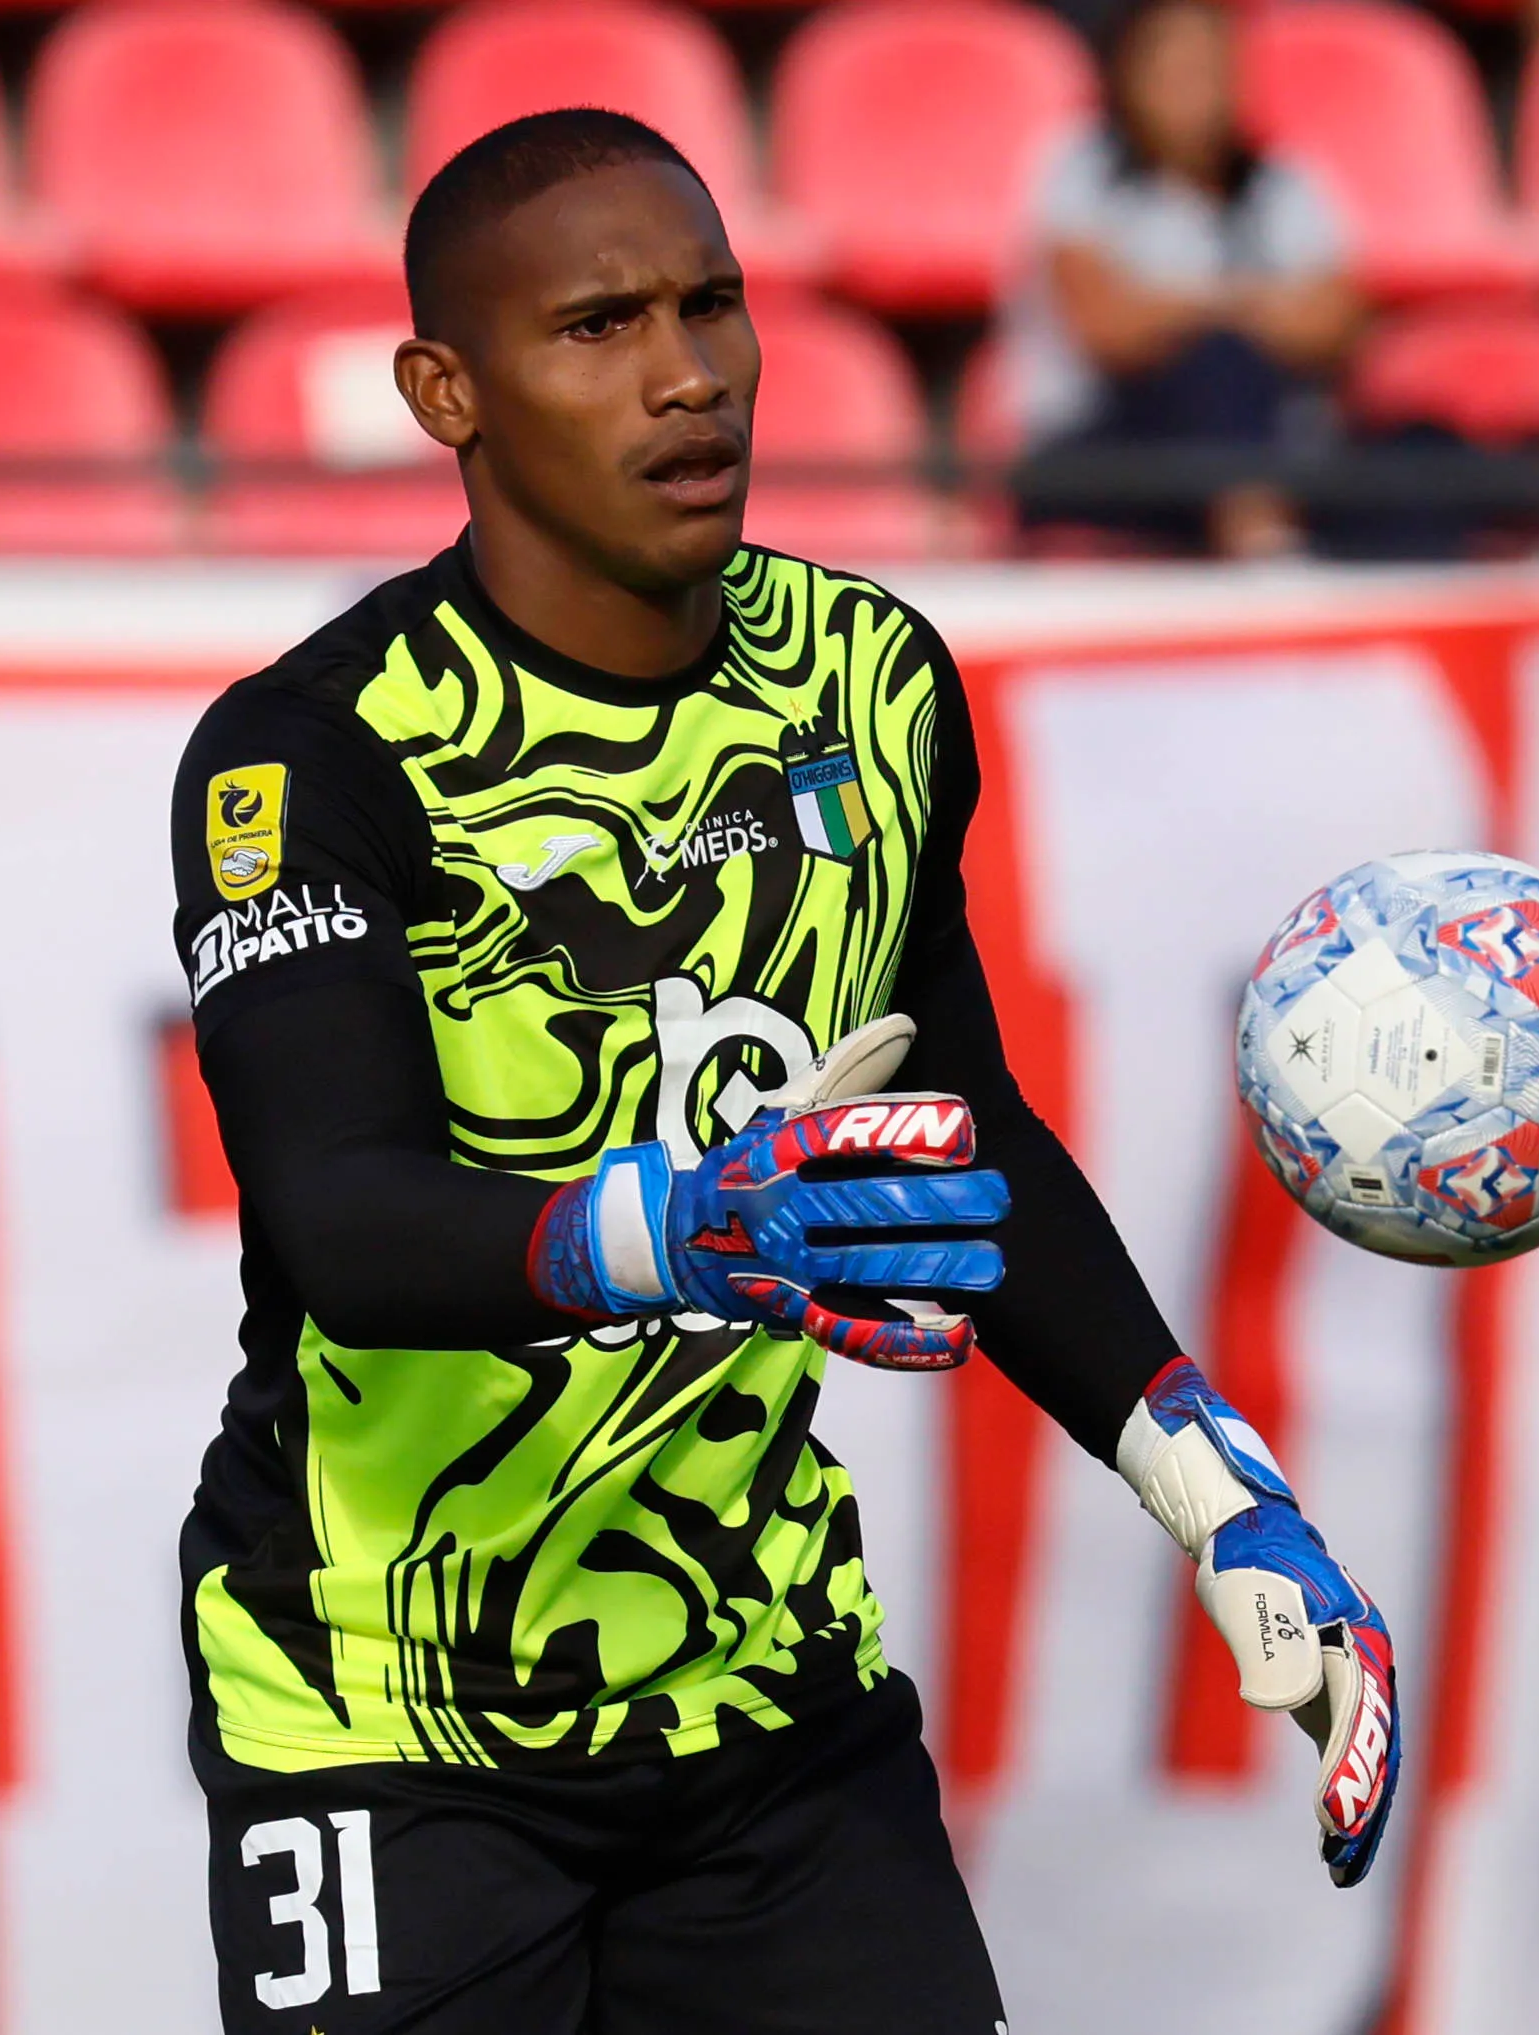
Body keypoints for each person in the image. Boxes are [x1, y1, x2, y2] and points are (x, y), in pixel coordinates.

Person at [169, 109, 1402, 2035]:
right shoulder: (312, 755)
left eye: (711, 306)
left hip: (764, 1698)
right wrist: (681, 1225)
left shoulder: (867, 683)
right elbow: (344, 1223)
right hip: (382, 1717)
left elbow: (973, 1136)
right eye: (595, 329)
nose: (685, 377)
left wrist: (1217, 1488)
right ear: (447, 393)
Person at [1002, 0, 1362, 557]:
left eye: (1209, 64)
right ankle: (1259, 541)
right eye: (1172, 64)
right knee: (1213, 361)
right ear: (1127, 73)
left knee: (1419, 457)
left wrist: (1174, 305)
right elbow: (1110, 331)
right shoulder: (1079, 170)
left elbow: (1334, 326)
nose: (1192, 84)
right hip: (1108, 451)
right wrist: (1249, 305)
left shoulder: (1282, 181)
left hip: (1272, 443)